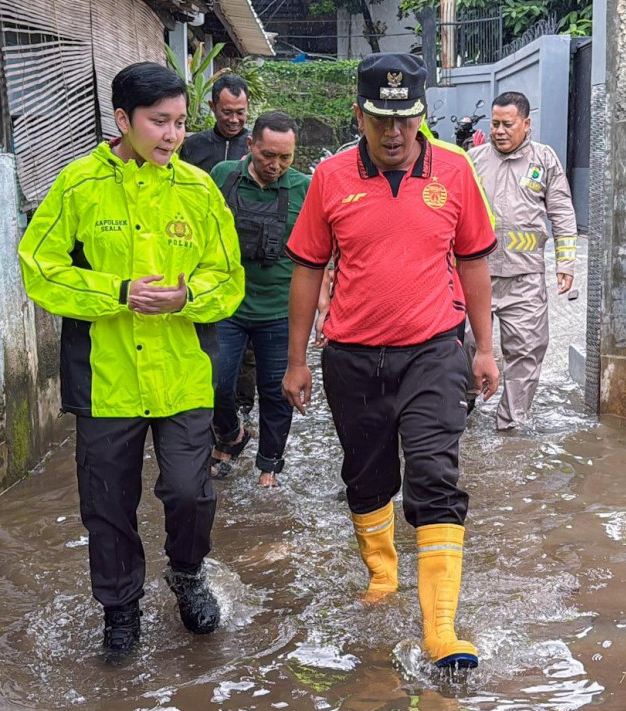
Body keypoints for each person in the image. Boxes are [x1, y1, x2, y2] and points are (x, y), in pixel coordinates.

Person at [17, 62, 244, 660]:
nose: (172, 135)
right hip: (105, 378)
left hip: (183, 373)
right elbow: (38, 269)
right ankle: (120, 611)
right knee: (108, 504)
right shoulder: (79, 185)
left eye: (179, 122)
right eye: (158, 122)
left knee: (190, 491)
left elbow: (229, 278)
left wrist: (187, 296)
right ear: (123, 119)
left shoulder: (198, 191)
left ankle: (187, 575)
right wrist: (116, 293)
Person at [282, 53, 499, 671]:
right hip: (352, 357)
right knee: (367, 475)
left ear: (422, 115)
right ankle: (382, 576)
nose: (396, 133)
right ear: (359, 116)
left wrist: (483, 348)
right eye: (381, 120)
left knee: (433, 474)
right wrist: (296, 361)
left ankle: (441, 629)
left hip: (435, 350)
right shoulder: (329, 177)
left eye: (407, 118)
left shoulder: (455, 171)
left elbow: (474, 260)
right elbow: (307, 268)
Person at [207, 111, 311, 488]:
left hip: (281, 309)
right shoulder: (223, 176)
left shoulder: (305, 187)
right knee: (215, 381)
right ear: (250, 145)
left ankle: (269, 463)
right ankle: (231, 435)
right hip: (227, 305)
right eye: (268, 155)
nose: (276, 166)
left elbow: (319, 253)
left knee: (276, 389)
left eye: (285, 158)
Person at [468, 91, 577, 431]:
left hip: (525, 277)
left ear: (526, 124)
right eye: (495, 123)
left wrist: (566, 262)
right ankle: (459, 412)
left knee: (526, 351)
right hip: (476, 275)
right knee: (464, 348)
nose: (499, 131)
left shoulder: (544, 161)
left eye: (507, 124)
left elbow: (561, 211)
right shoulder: (472, 160)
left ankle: (512, 426)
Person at [180, 74, 258, 428]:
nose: (235, 119)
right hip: (201, 254)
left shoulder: (256, 147)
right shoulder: (192, 147)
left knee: (249, 342)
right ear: (212, 107)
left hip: (248, 254)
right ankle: (209, 401)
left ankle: (242, 407)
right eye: (227, 111)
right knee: (211, 329)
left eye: (241, 112)